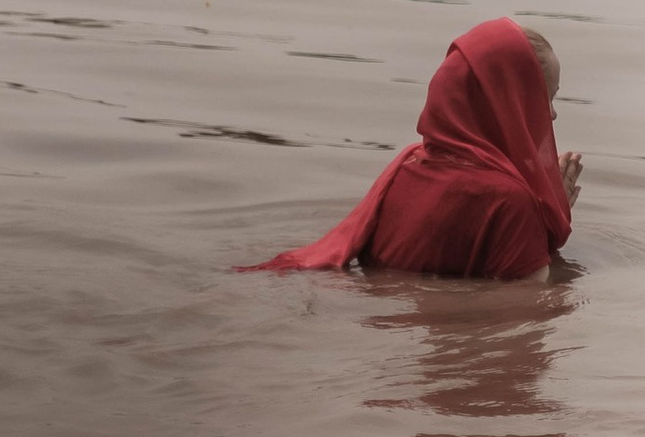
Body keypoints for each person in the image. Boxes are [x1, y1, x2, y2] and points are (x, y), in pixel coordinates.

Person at [245, 17, 582, 276]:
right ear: (509, 101)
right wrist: (547, 222)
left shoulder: (407, 167)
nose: (551, 115)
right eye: (545, 98)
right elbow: (532, 307)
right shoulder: (512, 204)